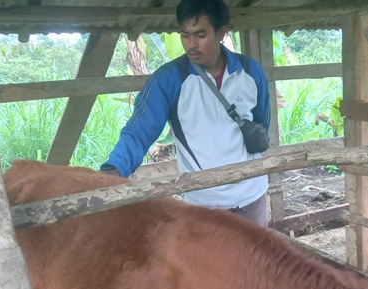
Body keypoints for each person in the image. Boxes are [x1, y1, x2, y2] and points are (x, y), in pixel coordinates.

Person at [100, 0, 271, 226]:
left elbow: (261, 121)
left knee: (255, 261)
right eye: (184, 35)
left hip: (253, 193)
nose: (191, 44)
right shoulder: (169, 81)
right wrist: (112, 171)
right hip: (205, 203)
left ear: (221, 32)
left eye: (200, 35)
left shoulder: (250, 72)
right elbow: (138, 132)